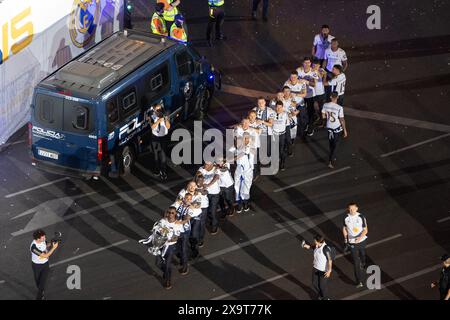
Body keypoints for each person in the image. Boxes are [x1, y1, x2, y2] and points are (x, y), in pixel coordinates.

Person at [150, 207, 184, 289]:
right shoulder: (163, 221)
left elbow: (176, 237)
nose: (170, 214)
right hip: (160, 245)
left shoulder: (177, 225)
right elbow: (156, 230)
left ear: (175, 214)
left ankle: (168, 281)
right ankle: (166, 272)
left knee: (167, 264)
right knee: (158, 263)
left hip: (170, 246)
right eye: (169, 212)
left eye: (172, 213)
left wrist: (168, 239)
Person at [172, 193, 200, 275]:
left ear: (191, 200)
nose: (187, 200)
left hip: (184, 231)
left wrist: (178, 222)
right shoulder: (179, 204)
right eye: (186, 198)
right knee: (176, 245)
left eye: (189, 199)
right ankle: (182, 258)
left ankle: (185, 266)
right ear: (184, 198)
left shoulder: (190, 209)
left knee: (183, 248)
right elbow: (171, 210)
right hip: (176, 230)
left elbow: (187, 218)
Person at [342, 203, 368, 288]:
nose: (351, 210)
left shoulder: (361, 217)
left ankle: (363, 262)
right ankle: (359, 281)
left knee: (362, 254)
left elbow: (365, 230)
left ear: (357, 208)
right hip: (352, 242)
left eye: (353, 209)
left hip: (361, 240)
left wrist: (360, 238)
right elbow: (344, 228)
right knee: (356, 262)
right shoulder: (346, 217)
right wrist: (346, 240)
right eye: (349, 209)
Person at [302, 235, 333, 300]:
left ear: (318, 241)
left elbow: (330, 260)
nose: (314, 241)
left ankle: (326, 298)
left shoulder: (325, 249)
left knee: (322, 286)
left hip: (323, 270)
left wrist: (329, 270)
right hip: (316, 268)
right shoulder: (317, 245)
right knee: (314, 283)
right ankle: (321, 295)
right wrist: (305, 245)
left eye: (315, 240)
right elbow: (311, 247)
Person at [321, 92, 347, 169]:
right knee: (336, 145)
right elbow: (342, 119)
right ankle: (330, 160)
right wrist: (345, 130)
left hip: (329, 126)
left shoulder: (325, 105)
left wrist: (325, 122)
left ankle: (332, 155)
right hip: (336, 127)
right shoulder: (339, 107)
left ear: (330, 97)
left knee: (331, 143)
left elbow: (323, 115)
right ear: (337, 97)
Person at [30, 230, 59, 300]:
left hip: (45, 265)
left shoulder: (42, 241)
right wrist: (54, 248)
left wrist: (52, 242)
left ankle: (39, 297)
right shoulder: (33, 247)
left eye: (44, 237)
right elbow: (45, 255)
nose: (44, 238)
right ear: (37, 239)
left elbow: (46, 244)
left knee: (41, 284)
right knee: (38, 283)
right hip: (36, 266)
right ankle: (41, 292)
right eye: (43, 238)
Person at [197, 161, 221, 235]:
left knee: (212, 211)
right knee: (207, 210)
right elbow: (198, 175)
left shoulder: (216, 169)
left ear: (211, 165)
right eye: (205, 163)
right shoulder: (202, 169)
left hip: (214, 193)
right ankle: (211, 220)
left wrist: (208, 185)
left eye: (207, 164)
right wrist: (201, 182)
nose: (205, 165)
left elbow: (216, 177)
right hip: (205, 194)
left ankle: (214, 225)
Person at [297, 57, 319, 136]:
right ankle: (305, 124)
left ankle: (310, 127)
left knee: (310, 112)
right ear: (303, 63)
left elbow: (314, 84)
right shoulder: (298, 70)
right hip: (301, 95)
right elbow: (293, 79)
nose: (307, 64)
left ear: (310, 63)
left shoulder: (313, 72)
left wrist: (306, 81)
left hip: (310, 95)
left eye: (308, 63)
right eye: (305, 63)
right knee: (302, 111)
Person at [148, 103, 171, 180]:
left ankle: (163, 171)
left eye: (160, 109)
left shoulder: (165, 115)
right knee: (156, 155)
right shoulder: (152, 116)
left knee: (163, 155)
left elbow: (168, 126)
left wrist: (165, 120)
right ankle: (157, 169)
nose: (159, 111)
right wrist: (158, 121)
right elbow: (152, 127)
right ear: (154, 110)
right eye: (157, 109)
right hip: (155, 138)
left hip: (163, 137)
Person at [234, 133, 255, 213]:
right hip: (239, 169)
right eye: (244, 138)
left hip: (248, 171)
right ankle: (239, 204)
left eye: (247, 138)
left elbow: (245, 155)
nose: (246, 140)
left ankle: (246, 203)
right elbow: (230, 152)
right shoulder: (237, 147)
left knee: (246, 188)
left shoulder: (250, 148)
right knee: (237, 187)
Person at [284, 71, 308, 137]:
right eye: (291, 77)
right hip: (292, 105)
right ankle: (295, 134)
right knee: (294, 120)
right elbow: (284, 93)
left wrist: (295, 94)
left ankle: (302, 132)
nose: (293, 78)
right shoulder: (287, 83)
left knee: (302, 119)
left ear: (297, 76)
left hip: (300, 104)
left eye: (294, 77)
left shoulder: (302, 83)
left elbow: (304, 94)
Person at [253, 97, 275, 162]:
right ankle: (260, 161)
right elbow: (250, 119)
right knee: (258, 148)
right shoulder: (254, 110)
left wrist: (262, 121)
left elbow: (271, 124)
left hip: (266, 134)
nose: (260, 104)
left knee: (267, 149)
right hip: (257, 133)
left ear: (265, 102)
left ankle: (269, 161)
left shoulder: (270, 111)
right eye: (259, 102)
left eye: (262, 102)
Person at [280, 87, 299, 156]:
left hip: (292, 120)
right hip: (283, 121)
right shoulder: (280, 100)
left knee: (292, 136)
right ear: (283, 92)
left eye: (288, 91)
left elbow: (298, 109)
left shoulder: (293, 100)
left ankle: (290, 146)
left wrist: (293, 113)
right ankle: (288, 149)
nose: (286, 93)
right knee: (286, 136)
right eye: (285, 91)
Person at [272, 100, 290, 171]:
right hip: (274, 135)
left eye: (280, 107)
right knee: (274, 150)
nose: (278, 109)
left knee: (281, 150)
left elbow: (284, 123)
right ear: (275, 107)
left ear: (282, 107)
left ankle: (282, 162)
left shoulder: (285, 114)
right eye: (277, 107)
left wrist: (273, 121)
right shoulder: (272, 113)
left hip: (282, 135)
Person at [194, 174, 209, 248]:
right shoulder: (193, 186)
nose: (201, 182)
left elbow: (205, 192)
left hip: (203, 208)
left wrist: (198, 190)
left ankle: (200, 239)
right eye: (199, 180)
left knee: (201, 224)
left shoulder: (205, 186)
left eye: (202, 180)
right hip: (195, 208)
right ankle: (194, 238)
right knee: (195, 224)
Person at [248, 110, 263, 179]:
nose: (252, 117)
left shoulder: (258, 123)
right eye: (251, 116)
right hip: (248, 145)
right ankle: (253, 171)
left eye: (253, 116)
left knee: (255, 161)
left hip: (256, 145)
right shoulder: (246, 122)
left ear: (256, 116)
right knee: (249, 160)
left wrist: (249, 127)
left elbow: (259, 130)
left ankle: (255, 174)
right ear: (248, 116)